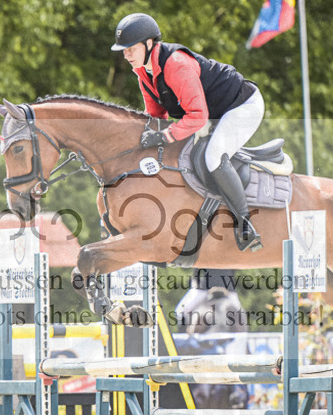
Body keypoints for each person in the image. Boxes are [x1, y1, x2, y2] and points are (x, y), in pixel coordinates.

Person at [111, 13, 264, 251]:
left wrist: (165, 136)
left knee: (213, 156)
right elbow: (156, 115)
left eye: (130, 48)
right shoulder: (143, 71)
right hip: (212, 113)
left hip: (241, 106)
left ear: (149, 44)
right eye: (124, 49)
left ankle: (245, 224)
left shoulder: (176, 65)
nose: (125, 54)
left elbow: (197, 116)